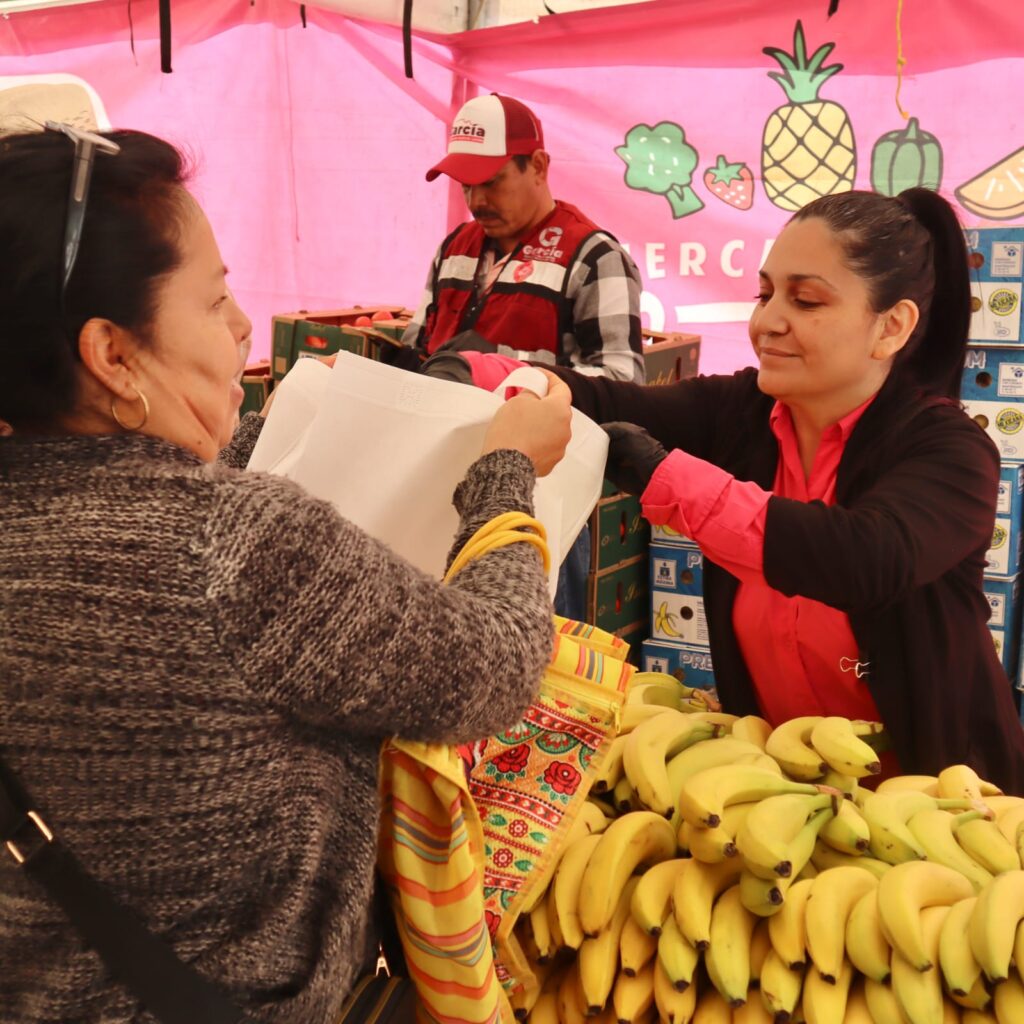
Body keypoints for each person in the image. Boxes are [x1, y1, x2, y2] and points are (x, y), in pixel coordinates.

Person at [0, 127, 572, 1022]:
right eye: (214, 299)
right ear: (111, 354)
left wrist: (253, 438)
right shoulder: (234, 545)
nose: (240, 326)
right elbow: (493, 665)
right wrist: (508, 474)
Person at [534, 187, 1024, 791]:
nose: (767, 322)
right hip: (776, 799)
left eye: (806, 300)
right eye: (764, 294)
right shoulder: (743, 412)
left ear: (891, 326)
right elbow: (606, 399)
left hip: (946, 805)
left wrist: (672, 481)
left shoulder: (951, 450)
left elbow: (866, 557)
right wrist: (491, 376)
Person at [398, 92, 646, 618]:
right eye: (466, 185)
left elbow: (623, 382)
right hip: (442, 483)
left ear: (538, 166)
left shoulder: (594, 256)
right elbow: (418, 349)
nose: (476, 200)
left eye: (491, 182)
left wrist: (505, 370)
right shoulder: (454, 248)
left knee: (534, 641)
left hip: (541, 497)